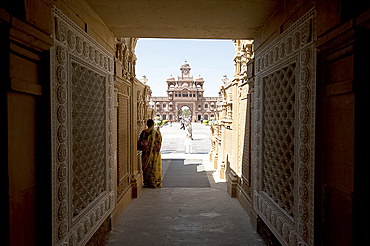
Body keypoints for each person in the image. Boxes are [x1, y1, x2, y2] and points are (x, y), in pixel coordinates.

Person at [137, 119, 162, 188]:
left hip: (146, 154)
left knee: (146, 168)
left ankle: (147, 183)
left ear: (147, 124)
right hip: (154, 154)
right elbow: (159, 143)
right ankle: (153, 182)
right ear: (153, 124)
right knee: (153, 168)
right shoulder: (156, 133)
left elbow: (140, 144)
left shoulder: (144, 132)